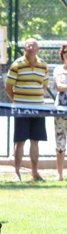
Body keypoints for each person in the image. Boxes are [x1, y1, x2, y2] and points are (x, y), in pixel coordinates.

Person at [4, 37, 49, 182]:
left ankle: (34, 173)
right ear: (24, 48)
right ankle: (16, 173)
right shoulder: (16, 64)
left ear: (38, 49)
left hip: (38, 109)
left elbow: (44, 86)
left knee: (35, 141)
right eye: (28, 45)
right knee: (20, 141)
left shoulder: (43, 65)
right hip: (21, 109)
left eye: (33, 45)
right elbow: (8, 88)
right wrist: (18, 102)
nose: (31, 48)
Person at [52, 44, 67, 181]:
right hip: (61, 110)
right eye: (65, 52)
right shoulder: (58, 70)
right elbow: (59, 87)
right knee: (60, 142)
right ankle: (60, 174)